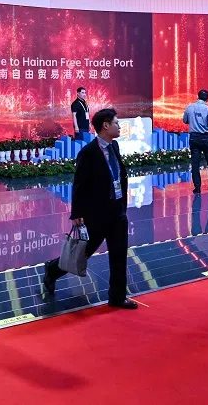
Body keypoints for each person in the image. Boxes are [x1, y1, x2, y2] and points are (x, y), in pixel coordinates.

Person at [43, 109, 137, 309]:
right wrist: (76, 213)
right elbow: (79, 185)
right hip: (97, 214)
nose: (119, 127)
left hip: (118, 212)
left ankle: (117, 297)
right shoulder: (88, 153)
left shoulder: (115, 147)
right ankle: (52, 270)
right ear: (105, 125)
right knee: (82, 253)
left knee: (119, 254)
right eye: (116, 123)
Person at [183, 90, 208, 194]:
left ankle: (197, 187)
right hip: (205, 138)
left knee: (195, 163)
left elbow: (185, 120)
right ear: (207, 98)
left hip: (194, 138)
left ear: (198, 97)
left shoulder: (189, 107)